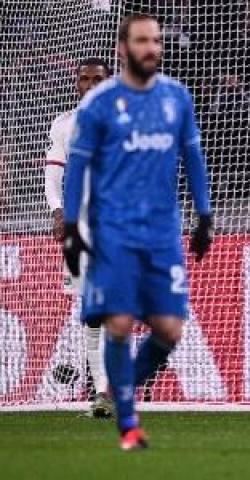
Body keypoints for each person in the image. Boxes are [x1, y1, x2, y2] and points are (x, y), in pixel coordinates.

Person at [63, 13, 213, 450]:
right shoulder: (99, 104)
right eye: (143, 41)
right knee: (120, 322)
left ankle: (117, 389)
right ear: (122, 49)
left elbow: (193, 155)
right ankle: (128, 422)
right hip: (113, 231)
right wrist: (72, 227)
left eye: (157, 41)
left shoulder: (176, 97)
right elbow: (76, 168)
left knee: (169, 330)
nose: (152, 48)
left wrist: (204, 215)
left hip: (163, 234)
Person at [44, 57, 113, 418]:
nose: (89, 85)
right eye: (83, 79)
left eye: (97, 79)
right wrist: (57, 212)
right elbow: (53, 175)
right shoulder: (64, 124)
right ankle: (103, 392)